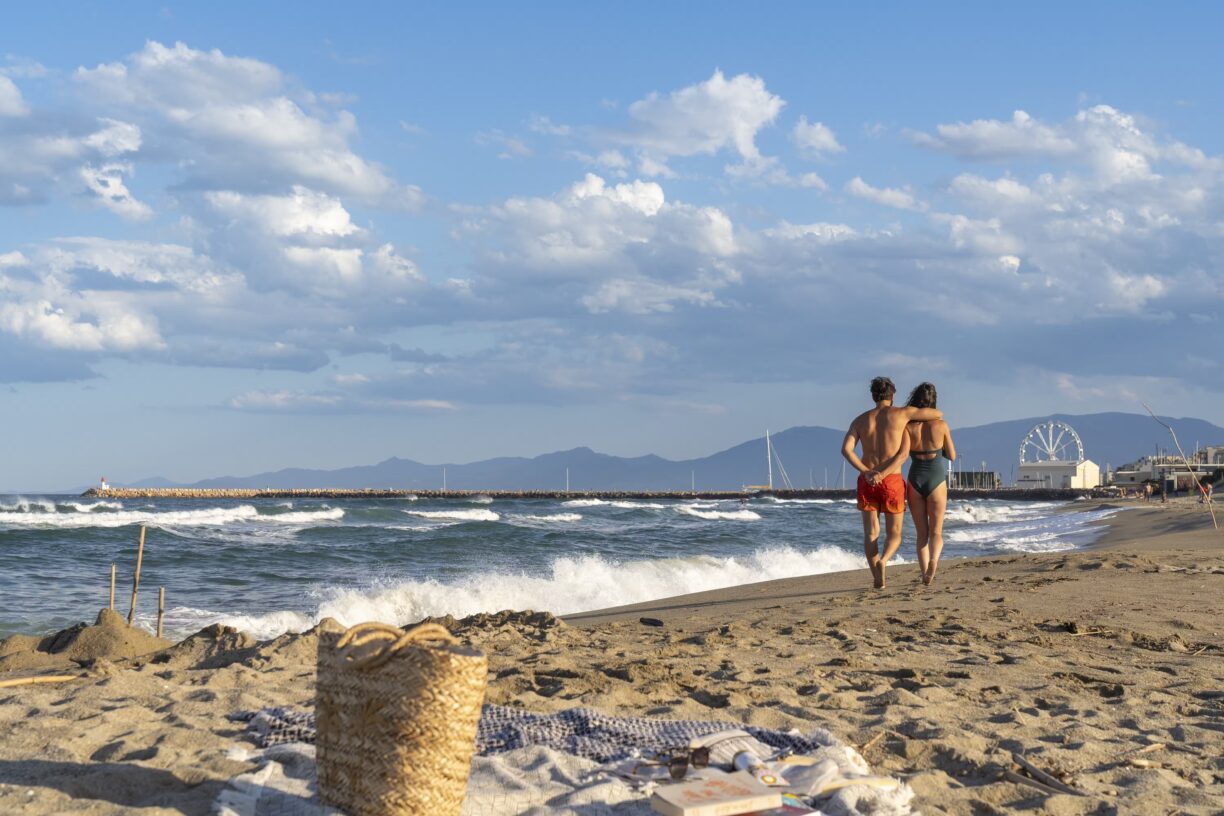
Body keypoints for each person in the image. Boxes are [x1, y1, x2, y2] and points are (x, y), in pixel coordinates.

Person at [841, 376, 943, 589]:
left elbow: (846, 450)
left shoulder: (859, 420)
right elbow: (937, 414)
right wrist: (912, 411)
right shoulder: (901, 414)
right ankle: (884, 560)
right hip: (892, 480)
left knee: (871, 534)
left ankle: (877, 578)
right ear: (892, 395)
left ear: (873, 396)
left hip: (866, 481)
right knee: (895, 534)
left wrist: (867, 472)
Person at [903, 383, 956, 586]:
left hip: (915, 478)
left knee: (921, 534)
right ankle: (934, 562)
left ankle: (924, 571)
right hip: (936, 477)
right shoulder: (941, 425)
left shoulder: (908, 426)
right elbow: (951, 455)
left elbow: (903, 452)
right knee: (936, 532)